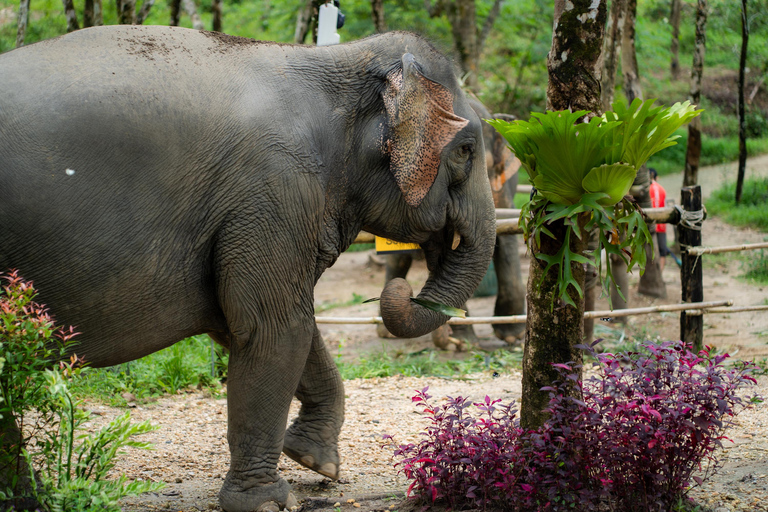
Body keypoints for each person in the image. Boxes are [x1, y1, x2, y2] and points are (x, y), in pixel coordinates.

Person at [649, 168, 670, 271]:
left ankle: (651, 272)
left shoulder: (646, 189)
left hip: (648, 225)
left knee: (649, 250)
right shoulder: (662, 189)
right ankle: (659, 274)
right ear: (656, 177)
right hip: (661, 225)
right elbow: (665, 206)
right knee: (662, 251)